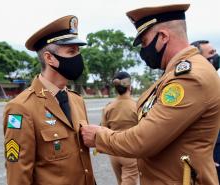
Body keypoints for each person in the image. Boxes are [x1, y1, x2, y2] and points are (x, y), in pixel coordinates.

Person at [81, 4, 220, 185]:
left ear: (163, 37)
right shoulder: (172, 75)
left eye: (145, 42)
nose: (143, 51)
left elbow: (142, 141)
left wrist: (99, 136)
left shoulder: (189, 77)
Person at [3, 15, 95, 185]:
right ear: (49, 58)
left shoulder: (76, 100)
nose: (78, 58)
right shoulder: (20, 108)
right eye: (71, 52)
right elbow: (18, 175)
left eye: (78, 51)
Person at [101, 71, 138, 185]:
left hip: (114, 153)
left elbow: (103, 130)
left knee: (120, 182)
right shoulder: (136, 106)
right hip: (130, 152)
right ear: (130, 87)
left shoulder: (108, 107)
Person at [191, 40, 220, 182]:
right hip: (209, 158)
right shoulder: (195, 88)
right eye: (211, 53)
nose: (216, 56)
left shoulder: (216, 83)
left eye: (215, 52)